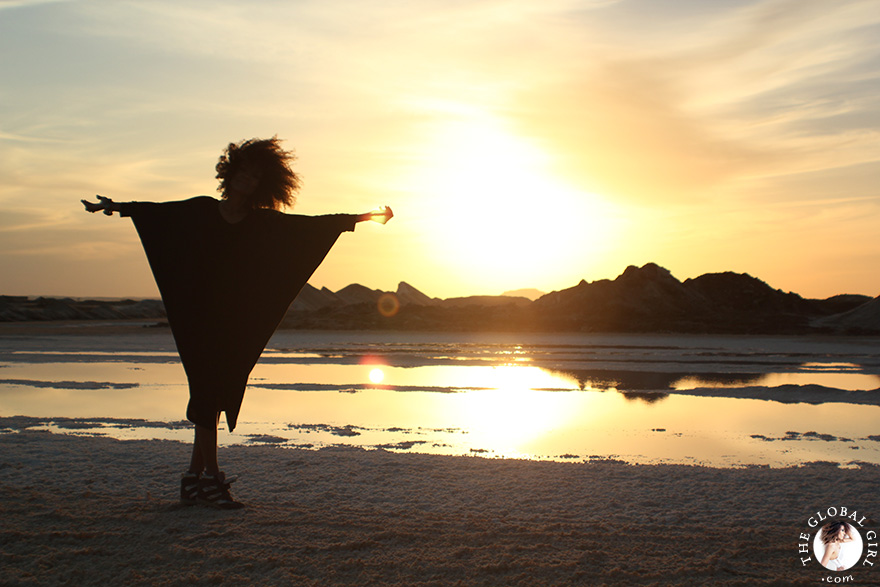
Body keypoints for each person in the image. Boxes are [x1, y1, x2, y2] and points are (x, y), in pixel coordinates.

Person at [82, 137, 392, 509]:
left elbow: (308, 227)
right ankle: (211, 478)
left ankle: (193, 480)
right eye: (243, 173)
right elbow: (159, 214)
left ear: (263, 184)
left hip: (233, 322)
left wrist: (364, 217)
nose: (248, 181)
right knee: (206, 391)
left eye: (255, 176)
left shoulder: (261, 222)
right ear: (230, 174)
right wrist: (113, 207)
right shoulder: (200, 210)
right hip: (199, 317)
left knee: (213, 392)